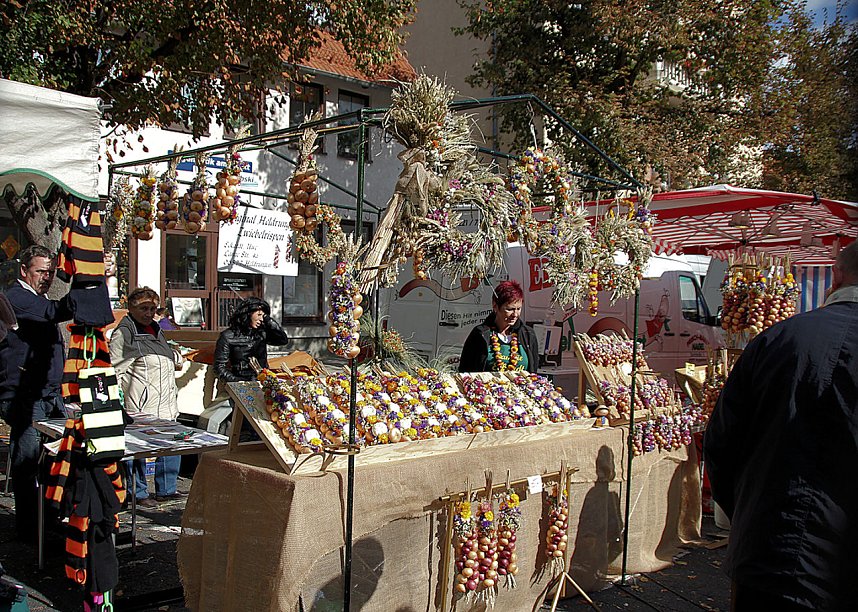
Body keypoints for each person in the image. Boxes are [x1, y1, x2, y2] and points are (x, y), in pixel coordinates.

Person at [704, 240, 858, 611]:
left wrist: (747, 513)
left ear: (834, 276)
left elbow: (722, 441)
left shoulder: (778, 338)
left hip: (770, 550)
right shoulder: (777, 337)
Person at [0, 245, 72, 541]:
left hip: (48, 393)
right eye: (41, 271)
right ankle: (30, 527)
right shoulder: (16, 297)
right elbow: (56, 312)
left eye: (51, 272)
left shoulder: (37, 297)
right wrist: (86, 284)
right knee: (27, 462)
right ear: (24, 271)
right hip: (24, 396)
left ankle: (48, 518)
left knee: (55, 459)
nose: (46, 277)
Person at [110, 287, 184, 507]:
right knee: (139, 449)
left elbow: (166, 357)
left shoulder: (156, 330)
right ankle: (138, 492)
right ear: (131, 308)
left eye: (152, 308)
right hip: (141, 402)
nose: (149, 313)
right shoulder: (124, 333)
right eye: (143, 308)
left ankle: (167, 489)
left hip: (166, 400)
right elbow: (115, 369)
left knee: (172, 444)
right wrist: (117, 402)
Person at [458, 280, 539, 373]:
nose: (515, 314)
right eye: (510, 309)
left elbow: (534, 371)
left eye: (518, 309)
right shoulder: (481, 334)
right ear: (495, 306)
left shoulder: (528, 334)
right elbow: (465, 370)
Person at [214, 297, 289, 384]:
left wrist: (269, 321)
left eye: (264, 316)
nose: (261, 319)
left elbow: (283, 340)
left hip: (262, 381)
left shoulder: (261, 333)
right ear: (248, 314)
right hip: (239, 381)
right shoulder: (227, 336)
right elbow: (219, 367)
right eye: (259, 315)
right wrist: (237, 381)